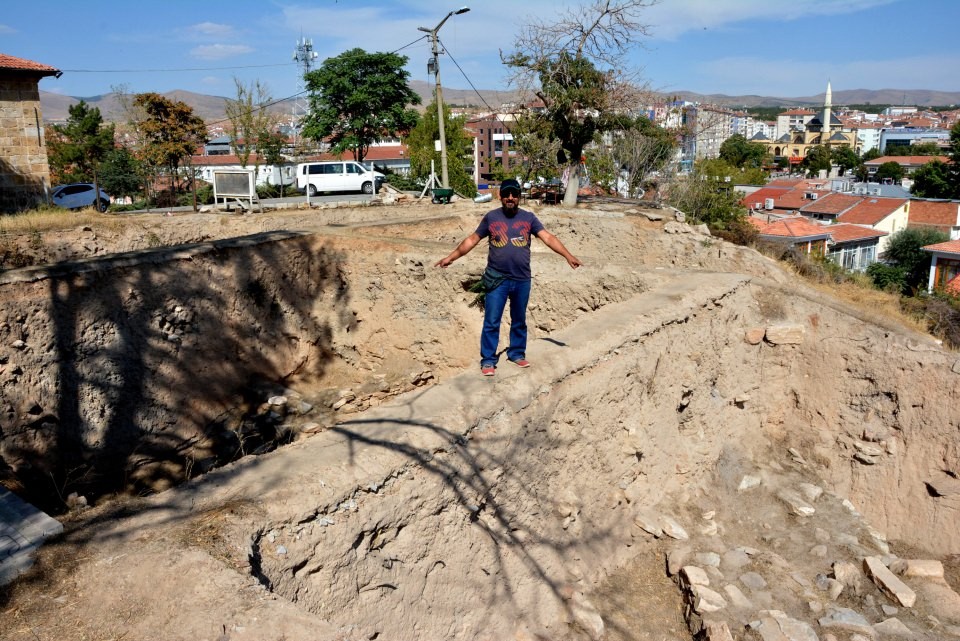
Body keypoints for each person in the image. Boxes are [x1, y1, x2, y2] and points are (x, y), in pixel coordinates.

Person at [435, 178, 582, 376]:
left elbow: (548, 237)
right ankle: (488, 359)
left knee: (519, 319)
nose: (510, 198)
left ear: (519, 197)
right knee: (492, 320)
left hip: (522, 280)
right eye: (506, 194)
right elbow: (472, 239)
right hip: (497, 279)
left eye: (514, 194)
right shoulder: (491, 218)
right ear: (500, 196)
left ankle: (516, 353)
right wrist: (451, 257)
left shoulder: (529, 218)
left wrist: (568, 255)